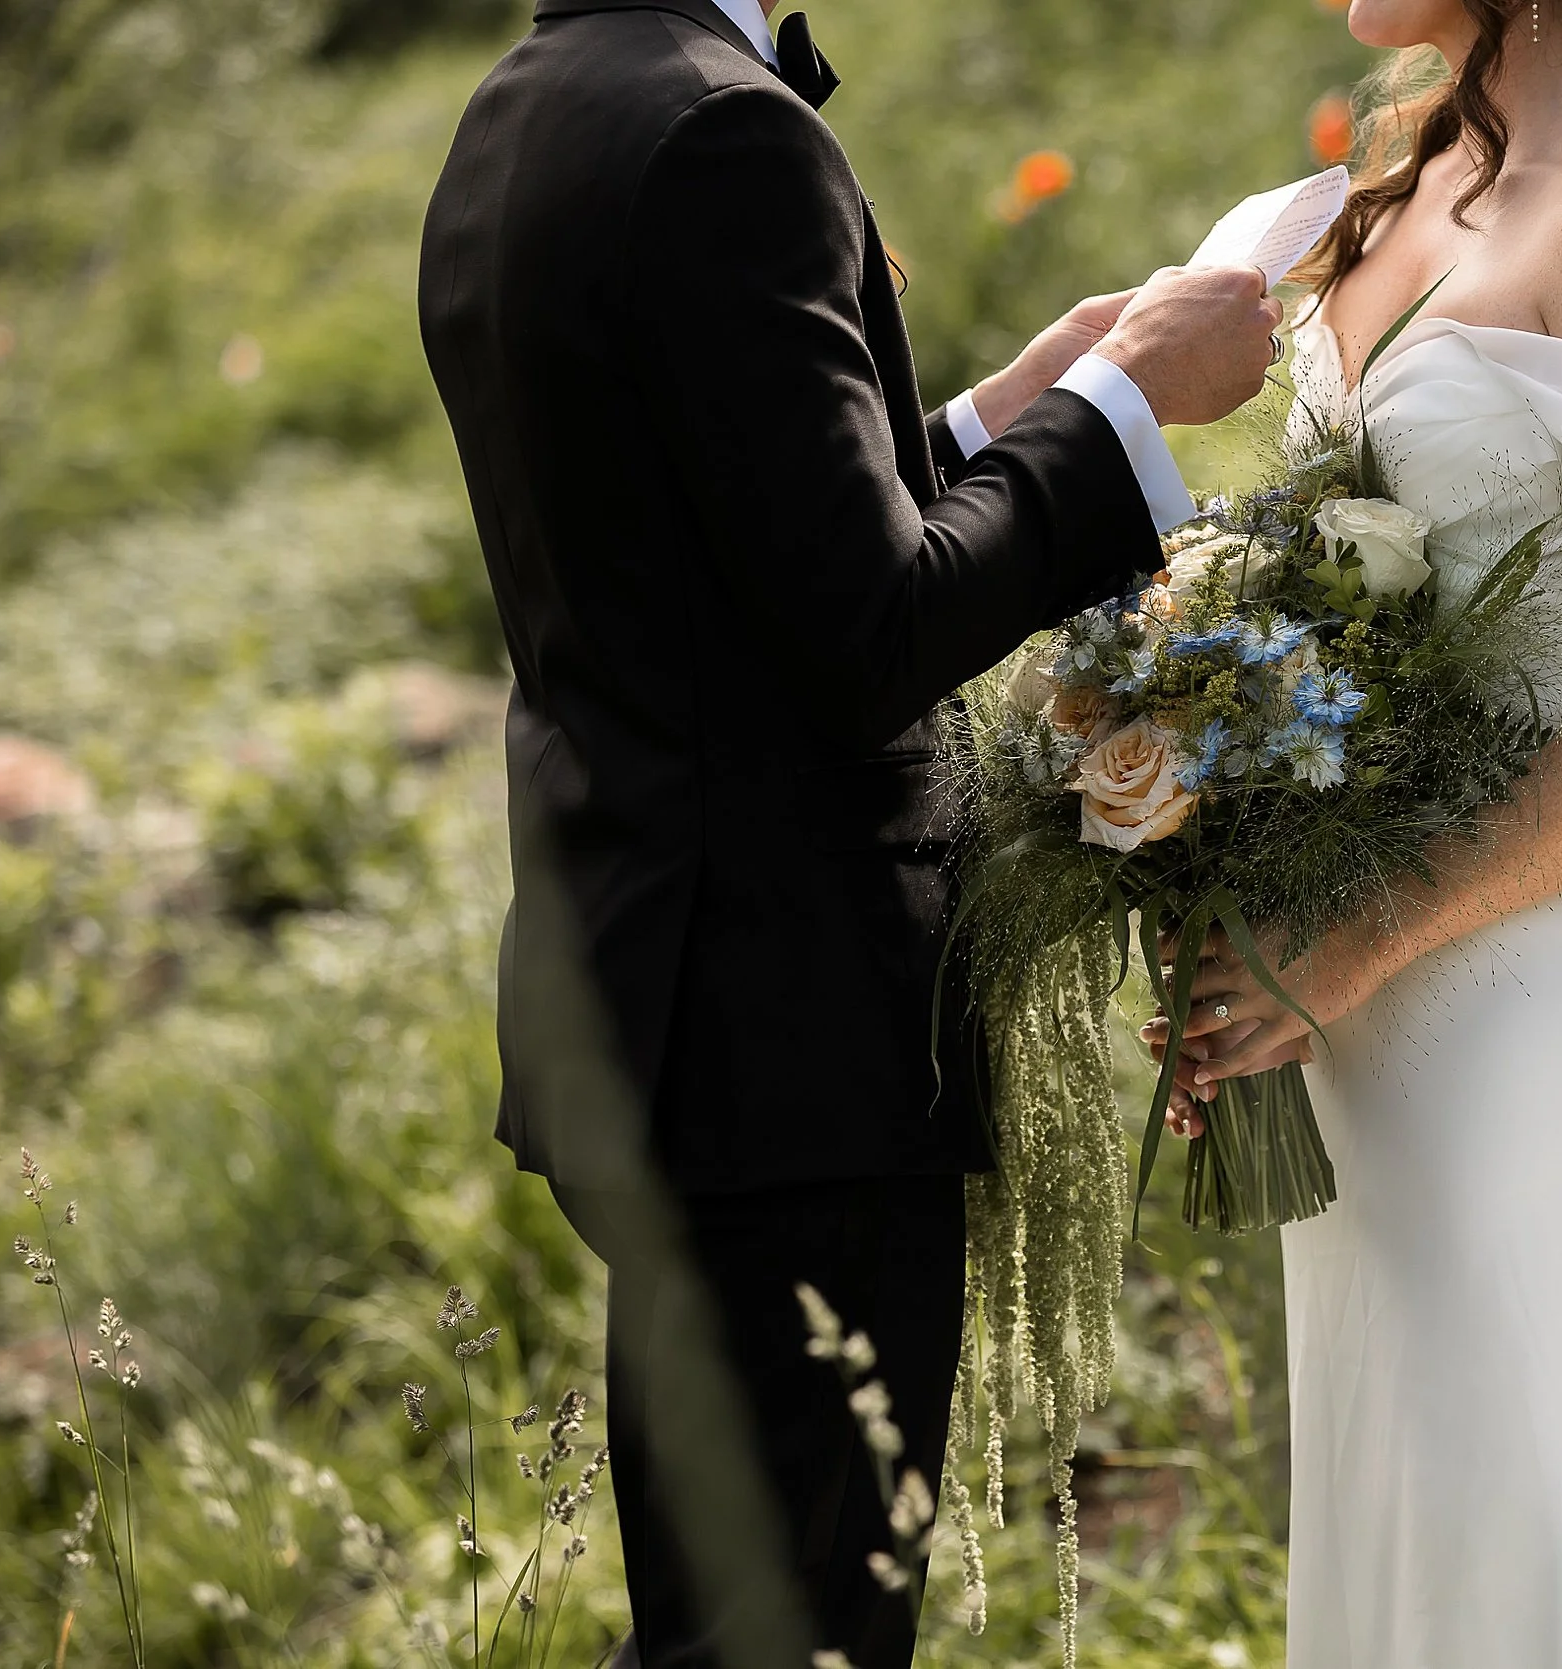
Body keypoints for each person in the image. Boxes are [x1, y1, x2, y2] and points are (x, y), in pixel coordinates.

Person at [416, 3, 1279, 1664]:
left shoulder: (535, 103)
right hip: (787, 1027)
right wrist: (1123, 412)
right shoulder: (730, 135)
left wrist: (1005, 415)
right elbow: (868, 632)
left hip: (655, 992)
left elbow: (738, 541)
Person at [1154, 1, 1562, 1663]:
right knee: (1423, 1553)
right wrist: (1218, 838)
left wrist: (1365, 929)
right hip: (1377, 1017)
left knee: (1554, 1549)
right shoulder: (1436, 163)